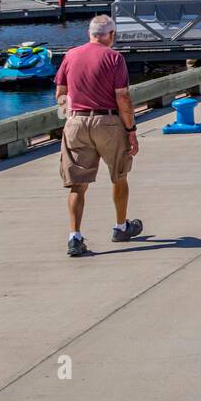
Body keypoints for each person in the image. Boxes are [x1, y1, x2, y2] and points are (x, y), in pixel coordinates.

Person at [55, 14, 142, 258]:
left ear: (89, 33)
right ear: (111, 35)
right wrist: (131, 130)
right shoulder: (114, 57)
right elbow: (122, 98)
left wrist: (72, 112)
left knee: (77, 184)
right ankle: (121, 226)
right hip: (108, 122)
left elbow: (60, 94)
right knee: (119, 175)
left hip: (76, 121)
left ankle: (75, 236)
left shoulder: (70, 55)